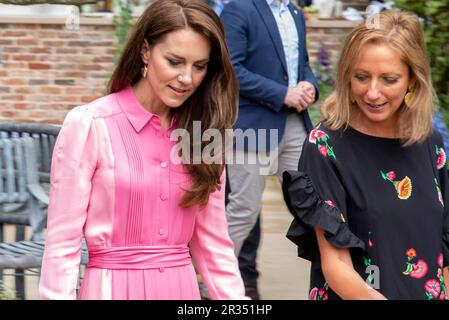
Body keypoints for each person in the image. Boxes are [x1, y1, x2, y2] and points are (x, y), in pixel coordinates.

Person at [39, 0, 247, 300]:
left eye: (199, 66)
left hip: (181, 290)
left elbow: (214, 245)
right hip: (110, 290)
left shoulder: (204, 135)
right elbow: (62, 244)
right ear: (145, 51)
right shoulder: (90, 125)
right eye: (175, 61)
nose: (187, 78)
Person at [282, 10, 449, 300]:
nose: (372, 93)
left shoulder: (430, 143)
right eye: (361, 77)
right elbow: (335, 265)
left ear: (412, 79)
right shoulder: (325, 146)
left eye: (389, 79)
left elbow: (444, 248)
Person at [220, 0, 319, 298]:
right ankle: (209, 279)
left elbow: (302, 64)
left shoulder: (294, 12)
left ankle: (336, 276)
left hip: (294, 125)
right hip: (253, 125)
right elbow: (230, 70)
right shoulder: (239, 9)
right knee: (244, 210)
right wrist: (282, 94)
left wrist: (309, 85)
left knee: (314, 203)